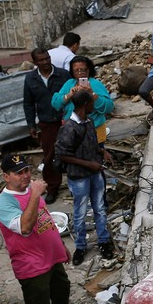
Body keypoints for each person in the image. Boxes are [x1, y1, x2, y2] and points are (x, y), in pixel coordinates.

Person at [0, 153, 87, 304]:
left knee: (61, 288)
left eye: (26, 170)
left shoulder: (29, 192)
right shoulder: (4, 203)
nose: (25, 176)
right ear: (6, 177)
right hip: (31, 264)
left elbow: (45, 220)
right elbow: (25, 227)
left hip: (50, 256)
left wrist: (60, 246)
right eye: (18, 173)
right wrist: (36, 195)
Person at [54, 91, 114, 266]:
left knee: (100, 209)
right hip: (79, 177)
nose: (93, 104)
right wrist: (89, 164)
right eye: (91, 102)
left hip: (95, 173)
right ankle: (80, 247)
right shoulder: (69, 128)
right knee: (80, 214)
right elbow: (62, 154)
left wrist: (103, 152)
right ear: (84, 104)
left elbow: (92, 144)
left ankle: (103, 242)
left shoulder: (89, 121)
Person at [22, 48, 70, 204]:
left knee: (73, 151)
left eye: (46, 58)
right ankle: (52, 188)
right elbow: (28, 103)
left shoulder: (63, 74)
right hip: (47, 122)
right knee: (49, 155)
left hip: (66, 120)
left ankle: (76, 184)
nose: (45, 62)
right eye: (41, 60)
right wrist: (31, 125)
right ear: (35, 63)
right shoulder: (30, 79)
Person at [51, 55, 114, 145]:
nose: (80, 73)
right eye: (76, 70)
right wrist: (69, 95)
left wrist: (92, 93)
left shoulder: (95, 84)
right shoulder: (69, 84)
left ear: (88, 70)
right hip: (72, 130)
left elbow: (109, 107)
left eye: (83, 69)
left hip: (93, 130)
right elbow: (55, 103)